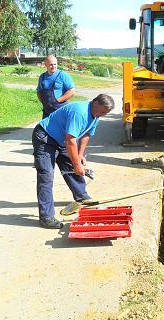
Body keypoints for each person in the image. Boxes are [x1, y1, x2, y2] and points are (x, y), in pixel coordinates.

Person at [32, 94, 115, 229]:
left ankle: (82, 197)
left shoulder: (95, 115)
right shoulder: (80, 112)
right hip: (45, 138)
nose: (103, 115)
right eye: (103, 111)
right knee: (46, 176)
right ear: (95, 103)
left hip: (62, 140)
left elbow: (86, 134)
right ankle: (46, 217)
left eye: (106, 113)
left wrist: (80, 155)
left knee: (71, 165)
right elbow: (70, 140)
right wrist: (77, 165)